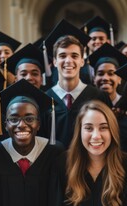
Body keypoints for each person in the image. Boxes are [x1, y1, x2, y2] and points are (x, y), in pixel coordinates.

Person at [0, 80, 65, 206]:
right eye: (13, 119)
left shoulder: (55, 153)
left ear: (38, 124)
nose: (21, 124)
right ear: (5, 125)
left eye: (29, 119)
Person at [44, 19, 112, 148]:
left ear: (82, 61)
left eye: (74, 56)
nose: (68, 61)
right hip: (54, 165)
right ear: (54, 62)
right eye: (62, 56)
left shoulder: (98, 97)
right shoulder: (46, 99)